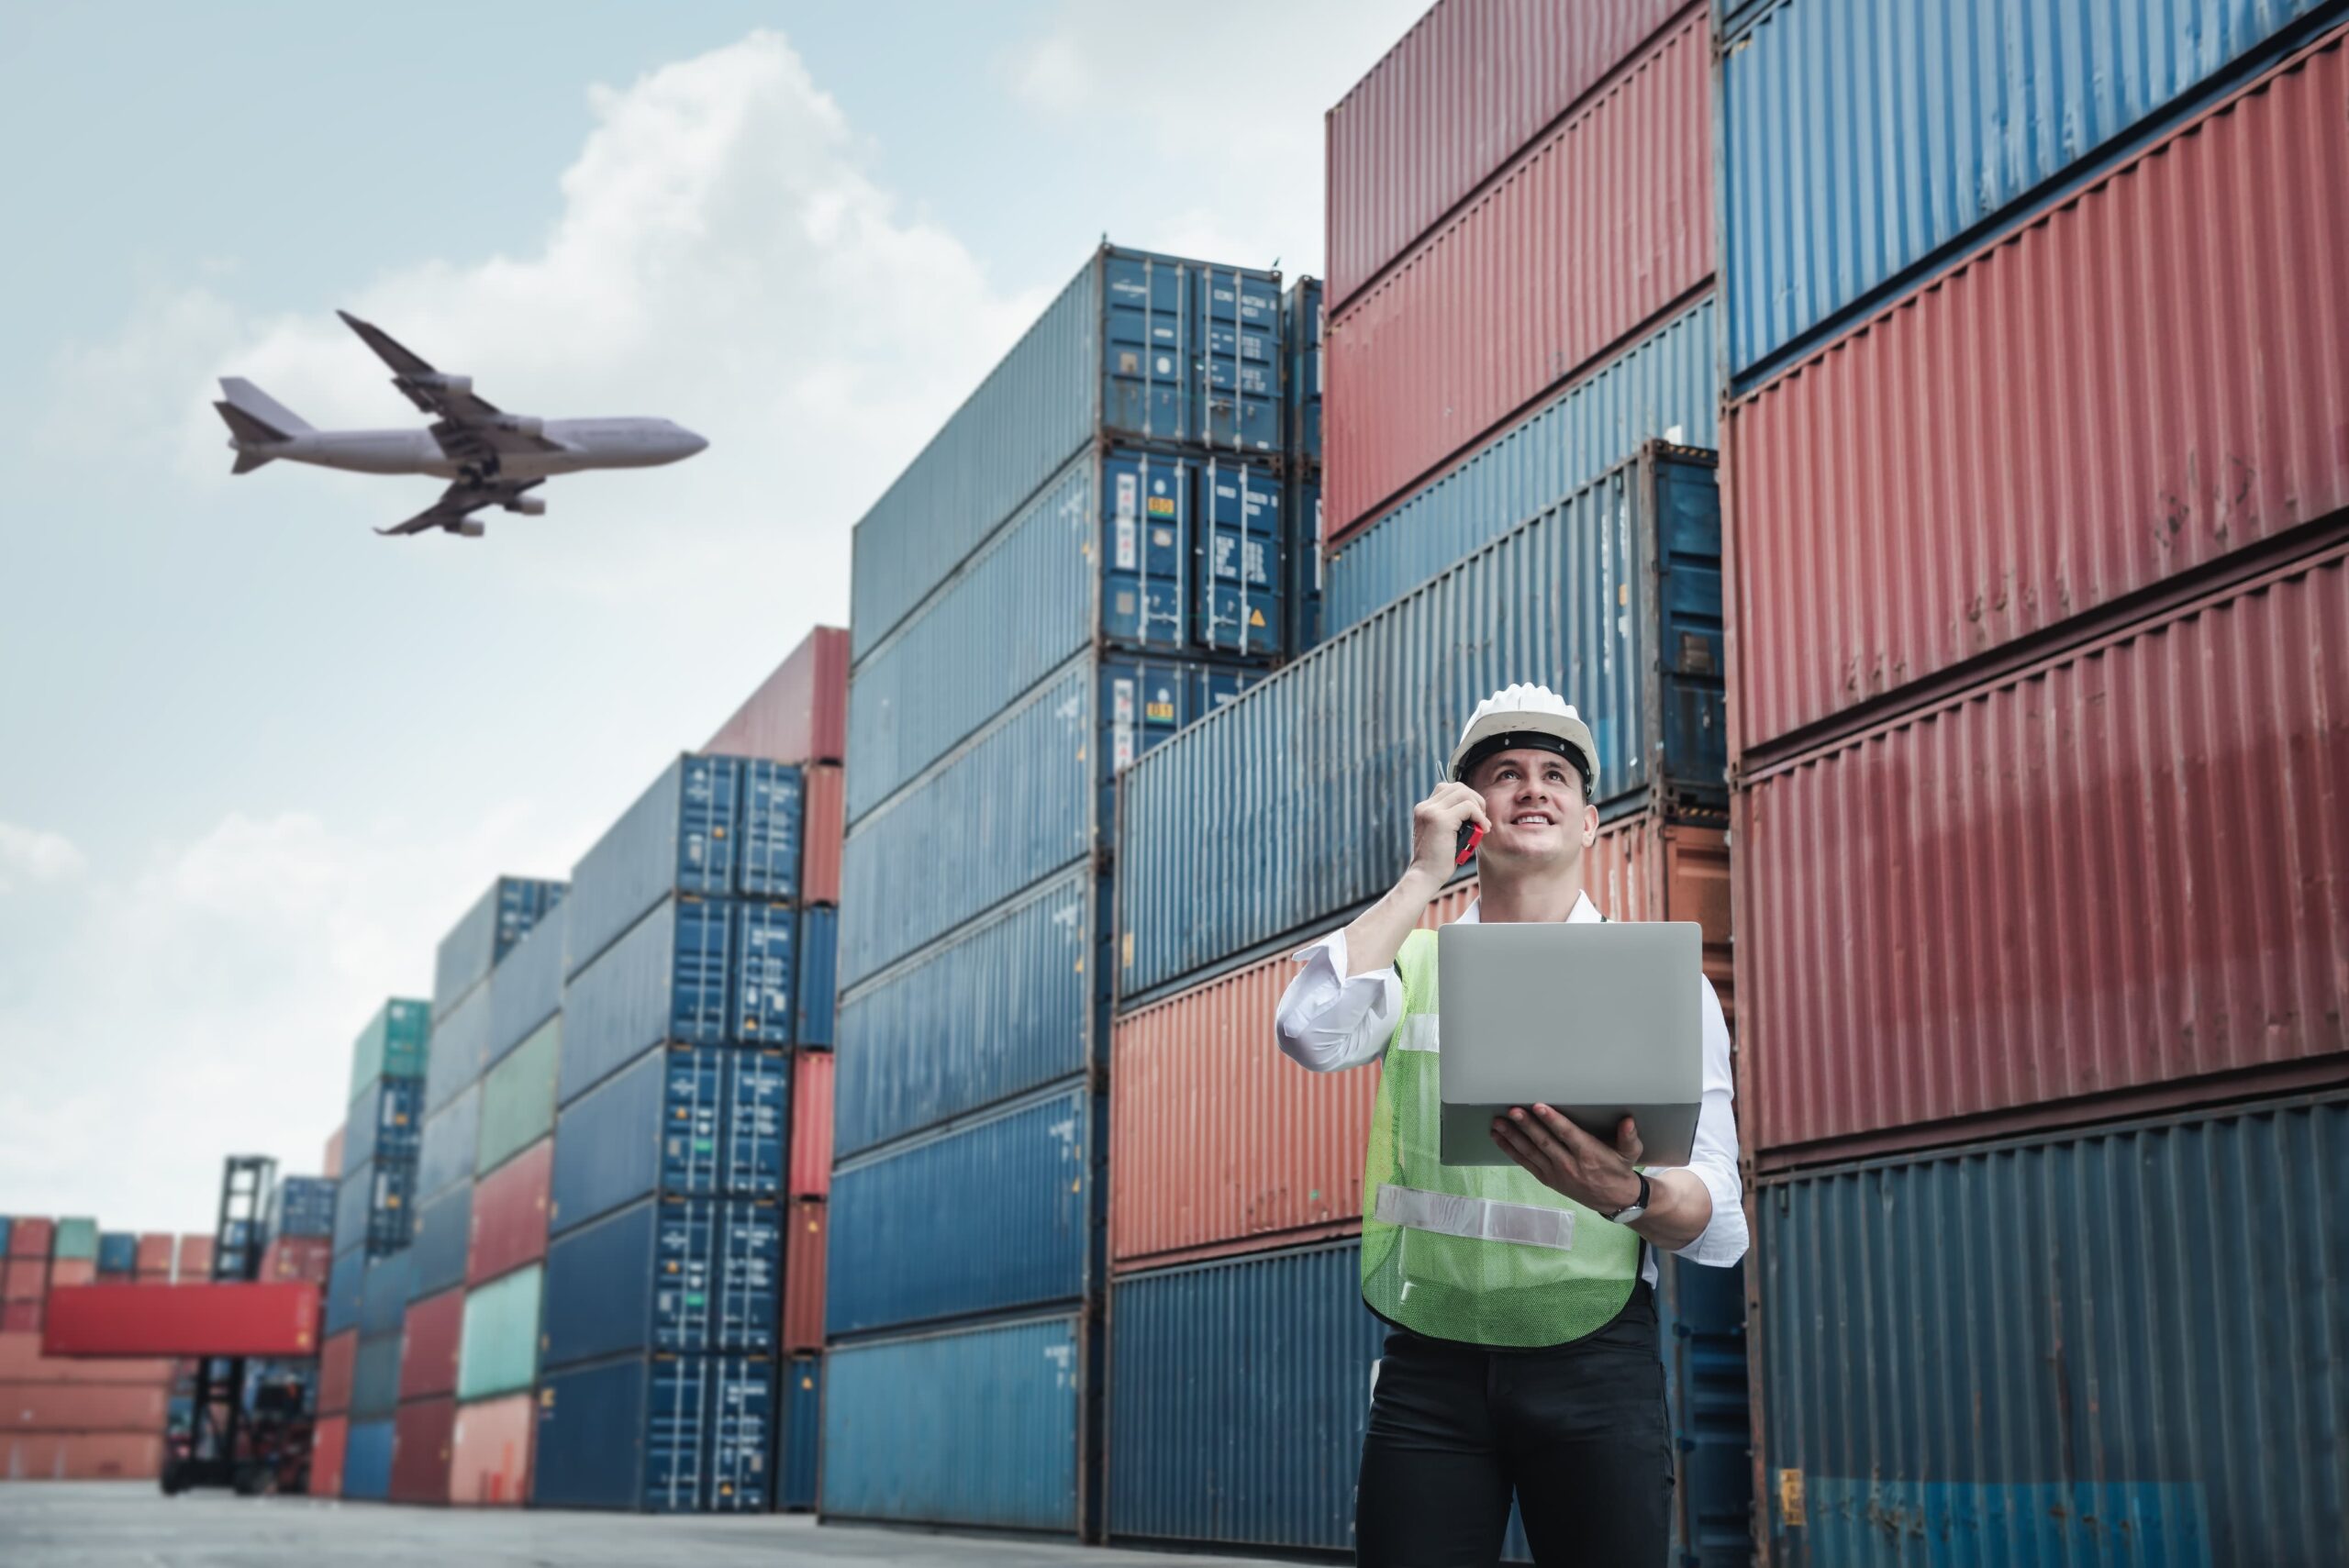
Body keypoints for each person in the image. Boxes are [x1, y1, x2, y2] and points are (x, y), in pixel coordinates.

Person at [1274, 682, 1745, 1566]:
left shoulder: (1662, 982)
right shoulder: (1412, 961)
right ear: (1468, 816)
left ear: (1591, 821)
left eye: (1555, 773)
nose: (1533, 786)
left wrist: (1629, 1193)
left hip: (1597, 1363)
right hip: (1431, 1367)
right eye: (1505, 773)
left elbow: (1719, 1222)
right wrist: (1421, 877)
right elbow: (1308, 1029)